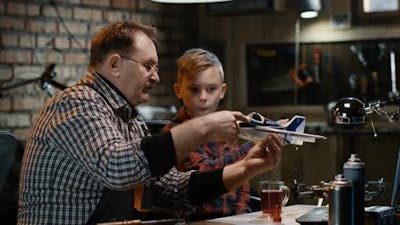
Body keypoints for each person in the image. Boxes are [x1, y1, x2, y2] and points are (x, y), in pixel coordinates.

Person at [18, 21, 283, 225]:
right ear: (115, 64)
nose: (156, 77)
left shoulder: (129, 120)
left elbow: (172, 190)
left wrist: (247, 168)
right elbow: (117, 167)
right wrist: (205, 127)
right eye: (149, 66)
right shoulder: (76, 103)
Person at [163, 48, 254, 220]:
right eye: (194, 89)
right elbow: (205, 175)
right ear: (178, 90)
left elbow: (242, 182)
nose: (203, 97)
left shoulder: (228, 128)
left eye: (211, 89)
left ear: (222, 91)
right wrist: (254, 147)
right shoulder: (175, 132)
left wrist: (242, 217)